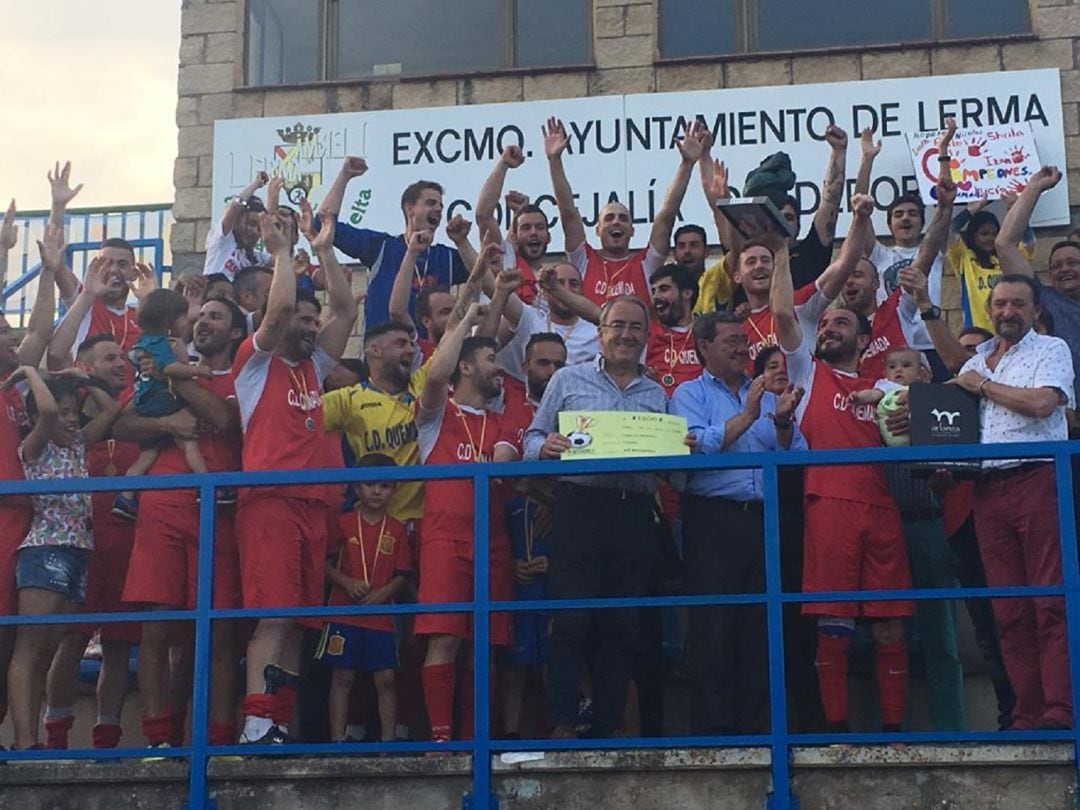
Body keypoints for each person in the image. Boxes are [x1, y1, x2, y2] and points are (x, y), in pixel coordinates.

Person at [771, 197, 914, 734]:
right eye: (823, 323)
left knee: (891, 627)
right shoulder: (807, 375)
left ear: (861, 336)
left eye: (839, 324)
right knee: (833, 625)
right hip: (827, 508)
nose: (826, 329)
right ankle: (836, 736)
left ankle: (894, 735)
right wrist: (783, 250)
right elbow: (785, 313)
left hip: (883, 508)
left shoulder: (885, 385)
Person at [233, 207, 356, 745]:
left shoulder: (313, 367)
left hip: (311, 506)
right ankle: (257, 722)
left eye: (312, 320)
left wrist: (325, 251)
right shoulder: (255, 363)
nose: (308, 327)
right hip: (271, 500)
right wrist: (282, 252)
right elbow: (279, 305)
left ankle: (277, 719)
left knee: (300, 623)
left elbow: (347, 310)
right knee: (275, 617)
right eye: (301, 321)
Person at [524, 295, 668, 739]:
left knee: (622, 624)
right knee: (570, 620)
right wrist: (543, 447)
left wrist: (682, 449)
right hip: (579, 508)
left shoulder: (658, 393)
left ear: (646, 336)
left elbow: (669, 464)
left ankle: (608, 725)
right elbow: (532, 435)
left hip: (634, 512)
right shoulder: (568, 379)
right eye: (617, 326)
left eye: (635, 328)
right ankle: (563, 720)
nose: (626, 335)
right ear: (600, 332)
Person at [116, 295, 247, 750]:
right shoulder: (159, 361)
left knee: (221, 631)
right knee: (157, 625)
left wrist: (175, 376)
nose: (202, 321)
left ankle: (218, 743)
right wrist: (172, 421)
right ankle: (157, 742)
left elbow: (219, 417)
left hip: (220, 510)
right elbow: (124, 423)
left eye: (216, 316)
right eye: (199, 315)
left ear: (235, 332)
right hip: (164, 501)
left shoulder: (241, 372)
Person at [669, 311, 805, 734]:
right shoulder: (688, 394)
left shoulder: (767, 395)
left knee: (761, 629)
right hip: (713, 522)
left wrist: (781, 422)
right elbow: (694, 449)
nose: (741, 347)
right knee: (713, 630)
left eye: (744, 340)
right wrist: (747, 415)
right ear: (704, 346)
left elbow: (796, 454)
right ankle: (713, 737)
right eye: (730, 340)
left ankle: (761, 735)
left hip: (763, 521)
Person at [951, 274, 1074, 730]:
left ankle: (1060, 711)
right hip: (987, 488)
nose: (1007, 312)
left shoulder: (1050, 349)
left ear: (1036, 309)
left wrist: (981, 386)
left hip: (1037, 477)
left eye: (1017, 304)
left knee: (1049, 602)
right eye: (999, 303)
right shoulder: (979, 358)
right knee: (1008, 609)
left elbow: (1044, 404)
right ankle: (1027, 713)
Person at [414, 286, 520, 744]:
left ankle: (476, 740)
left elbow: (505, 456)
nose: (498, 367)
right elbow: (435, 377)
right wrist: (465, 322)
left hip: (492, 541)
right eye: (491, 359)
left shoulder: (501, 419)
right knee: (445, 639)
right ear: (467, 365)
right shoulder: (436, 416)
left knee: (487, 648)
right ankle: (441, 742)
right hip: (444, 539)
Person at [4, 367, 119, 751]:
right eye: (65, 411)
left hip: (77, 553)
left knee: (47, 651)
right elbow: (49, 413)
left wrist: (83, 380)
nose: (71, 418)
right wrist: (29, 372)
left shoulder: (76, 444)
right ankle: (25, 741)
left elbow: (111, 410)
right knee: (30, 650)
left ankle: (30, 739)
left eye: (75, 411)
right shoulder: (35, 446)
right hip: (45, 551)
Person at [0, 225, 61, 749]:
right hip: (2, 519)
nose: (12, 336)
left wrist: (48, 269)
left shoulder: (17, 386)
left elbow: (38, 332)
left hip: (23, 522)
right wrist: (2, 253)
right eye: (2, 328)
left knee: (14, 641)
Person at [545, 117, 706, 307]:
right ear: (597, 229)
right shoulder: (583, 259)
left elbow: (666, 216)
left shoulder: (647, 264)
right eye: (609, 218)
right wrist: (554, 161)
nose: (616, 222)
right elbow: (568, 214)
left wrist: (686, 164)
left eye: (623, 218)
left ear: (632, 230)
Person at [697, 125, 850, 307]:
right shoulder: (746, 254)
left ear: (799, 225)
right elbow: (717, 206)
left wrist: (838, 151)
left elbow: (830, 201)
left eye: (788, 217)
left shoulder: (810, 254)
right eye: (774, 214)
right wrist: (704, 154)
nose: (780, 221)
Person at [317, 157, 474, 331]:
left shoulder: (447, 258)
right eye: (430, 203)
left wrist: (462, 241)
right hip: (382, 352)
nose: (438, 209)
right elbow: (323, 225)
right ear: (409, 208)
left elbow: (487, 274)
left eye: (441, 206)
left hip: (433, 355)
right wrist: (344, 176)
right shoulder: (381, 247)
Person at [318, 454, 412, 744]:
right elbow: (324, 564)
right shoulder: (343, 523)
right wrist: (347, 582)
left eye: (385, 486)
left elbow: (403, 574)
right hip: (343, 611)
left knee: (385, 678)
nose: (376, 491)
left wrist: (383, 594)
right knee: (342, 677)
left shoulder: (397, 528)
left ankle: (388, 743)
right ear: (356, 487)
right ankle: (336, 741)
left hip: (381, 615)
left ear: (394, 490)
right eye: (369, 484)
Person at [111, 289, 212, 520]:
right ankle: (205, 485)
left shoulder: (143, 342)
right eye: (183, 317)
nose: (187, 322)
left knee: (147, 454)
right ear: (168, 321)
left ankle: (125, 496)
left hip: (146, 401)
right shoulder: (162, 343)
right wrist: (198, 370)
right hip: (162, 401)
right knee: (189, 442)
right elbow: (169, 369)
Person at [995, 166, 1080, 407]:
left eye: (1073, 263)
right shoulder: (1045, 300)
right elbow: (1005, 244)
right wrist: (1033, 188)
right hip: (1065, 418)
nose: (1064, 269)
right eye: (1057, 266)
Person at [476, 145, 552, 304]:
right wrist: (503, 164)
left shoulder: (554, 281)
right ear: (514, 236)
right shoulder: (505, 258)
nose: (533, 233)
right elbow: (484, 215)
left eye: (539, 227)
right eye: (526, 228)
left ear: (549, 237)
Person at [204, 171, 272, 281]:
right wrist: (256, 184)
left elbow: (281, 258)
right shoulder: (222, 240)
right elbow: (235, 206)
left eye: (259, 229)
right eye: (252, 223)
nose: (255, 231)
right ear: (238, 219)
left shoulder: (256, 258)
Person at [646, 264, 701, 397]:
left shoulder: (708, 331)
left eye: (664, 289)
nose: (656, 296)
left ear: (687, 293)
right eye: (653, 291)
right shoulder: (646, 333)